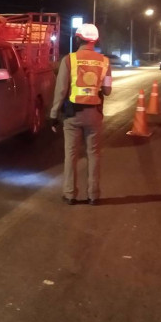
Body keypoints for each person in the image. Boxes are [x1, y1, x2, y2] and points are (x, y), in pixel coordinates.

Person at [49, 23, 112, 206]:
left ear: (78, 38)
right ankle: (94, 195)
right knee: (94, 154)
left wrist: (54, 115)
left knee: (71, 155)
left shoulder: (69, 60)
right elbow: (107, 90)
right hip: (94, 115)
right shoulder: (105, 62)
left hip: (72, 116)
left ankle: (70, 194)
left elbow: (61, 90)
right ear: (95, 40)